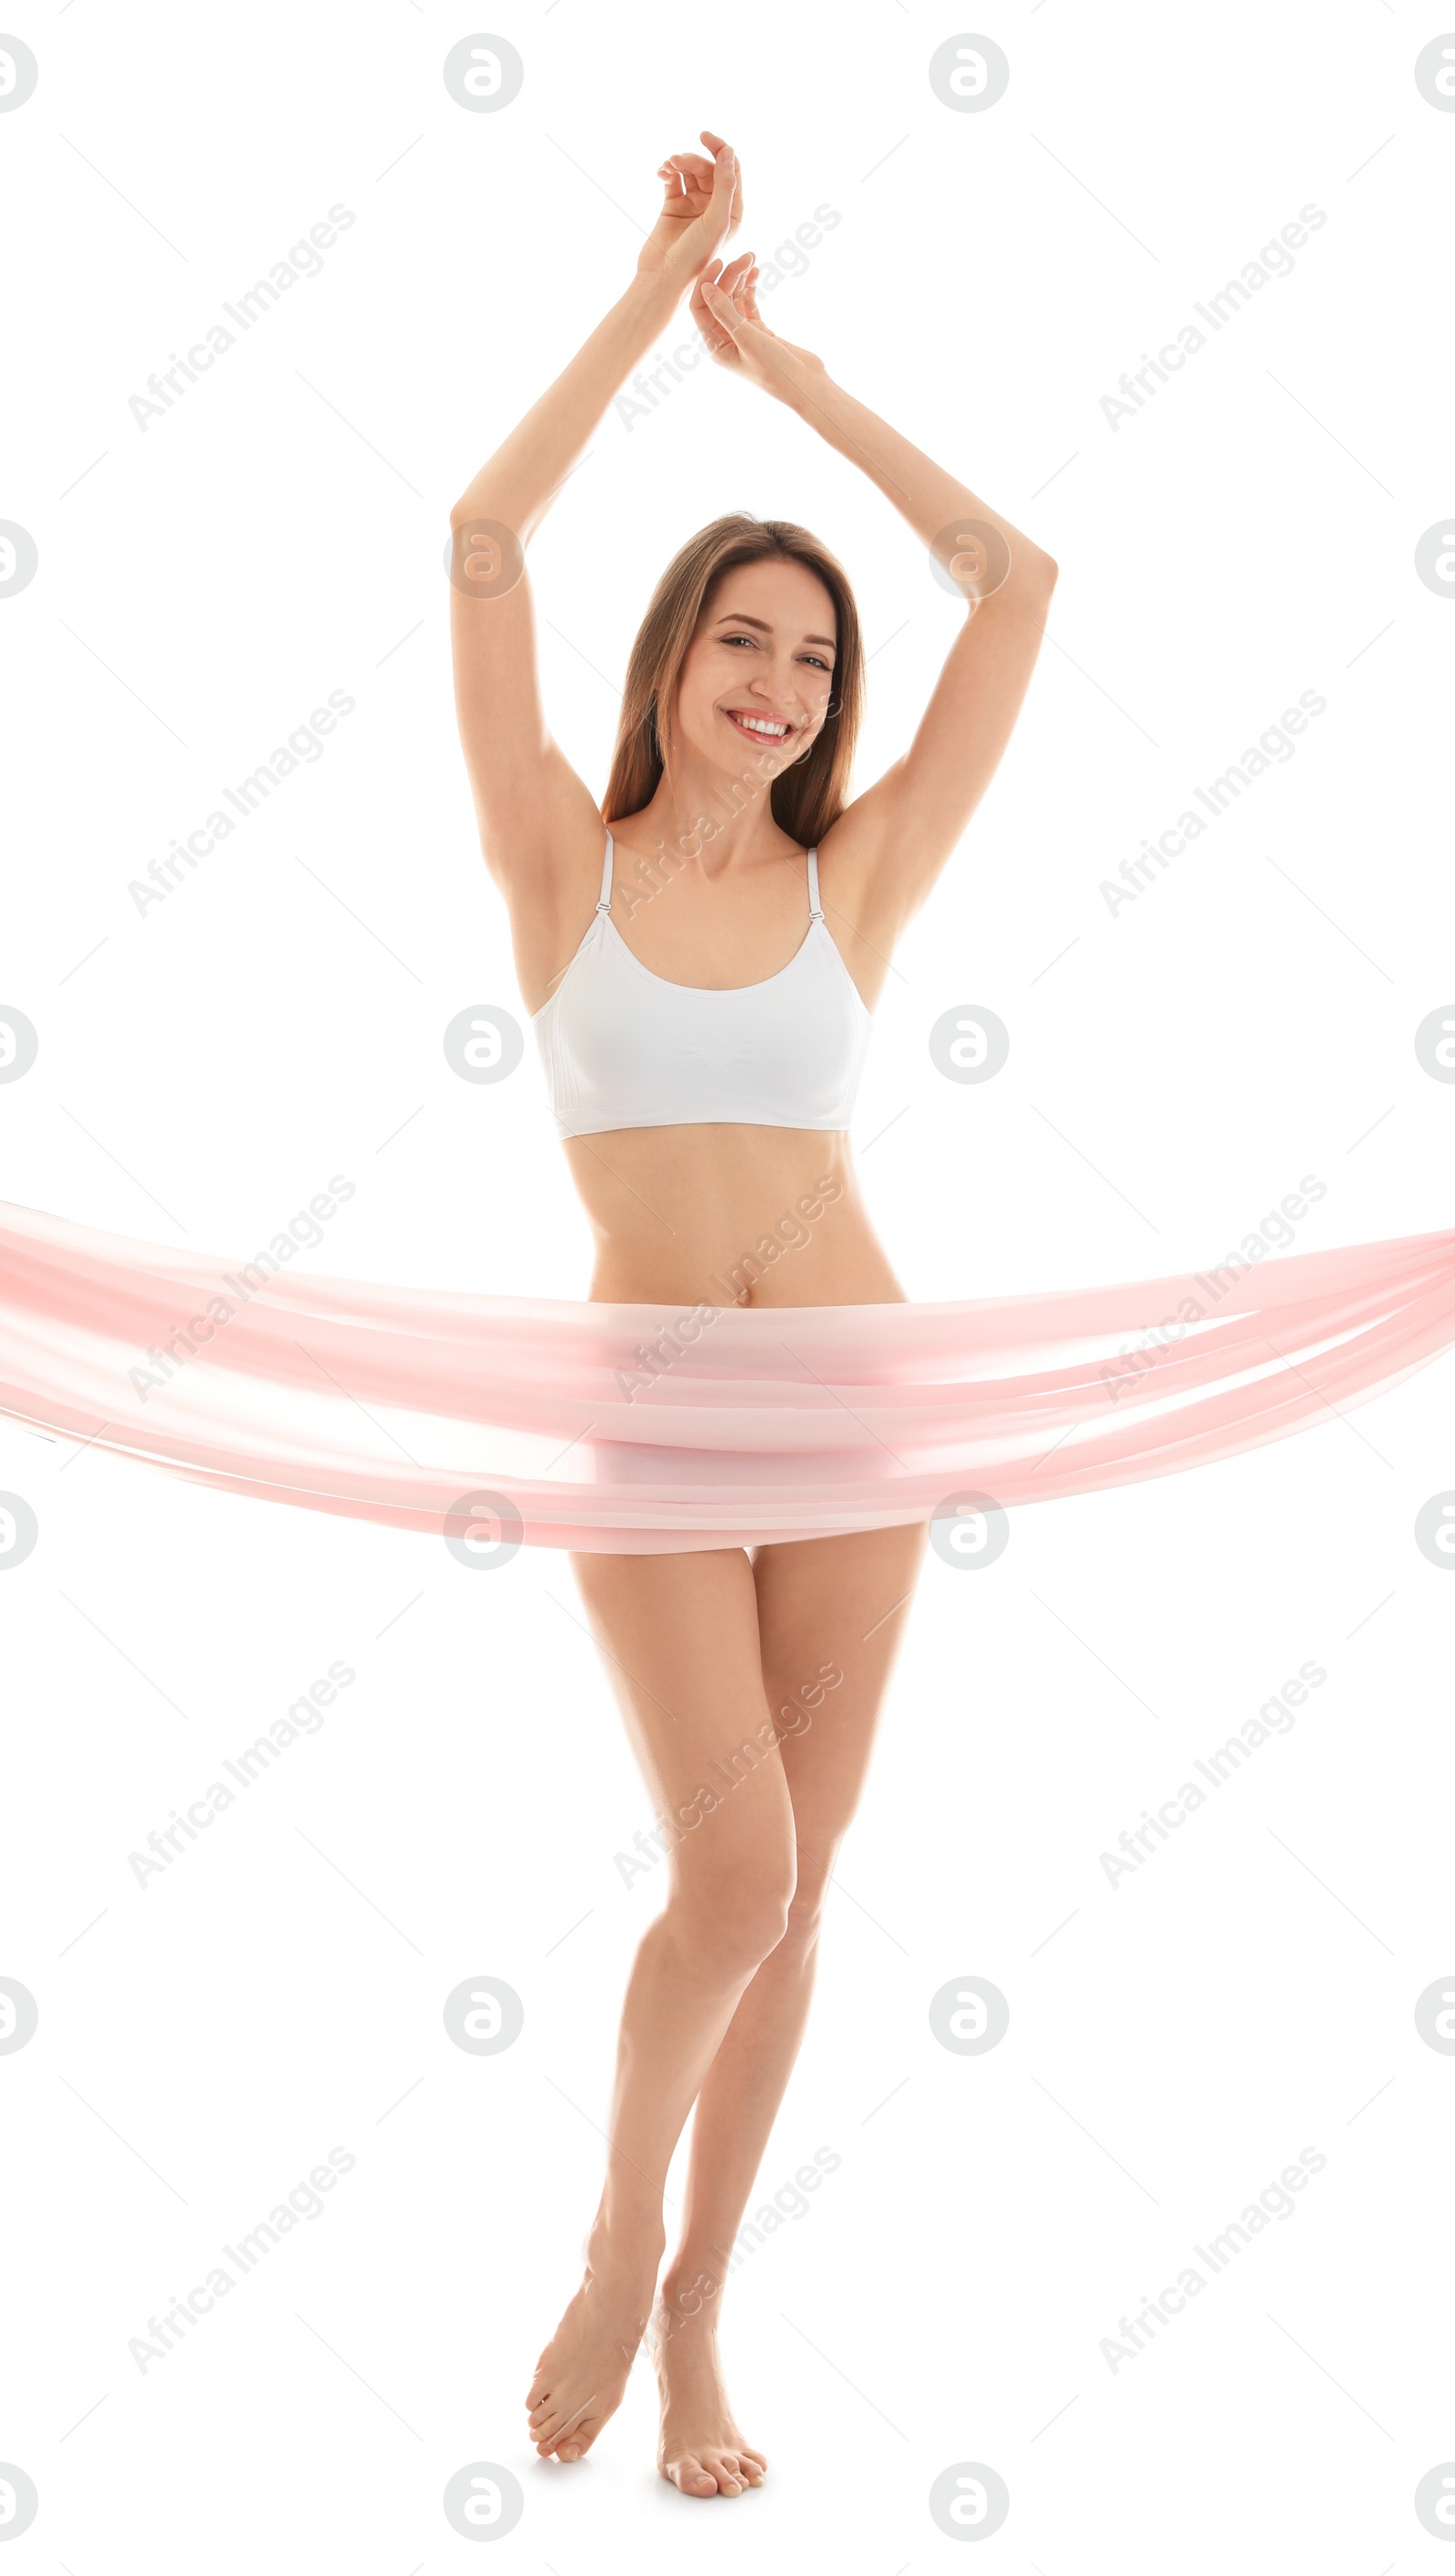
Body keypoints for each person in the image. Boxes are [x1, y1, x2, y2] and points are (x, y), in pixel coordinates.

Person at [447, 130, 1057, 2500]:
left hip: (860, 1399)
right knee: (739, 1876)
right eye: (746, 641)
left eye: (816, 657)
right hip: (648, 1414)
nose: (785, 686)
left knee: (803, 1879)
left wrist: (787, 371)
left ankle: (706, 2320)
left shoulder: (858, 873)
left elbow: (1015, 575)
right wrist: (655, 290)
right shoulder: (555, 858)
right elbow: (484, 543)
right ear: (673, 661)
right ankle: (618, 2240)